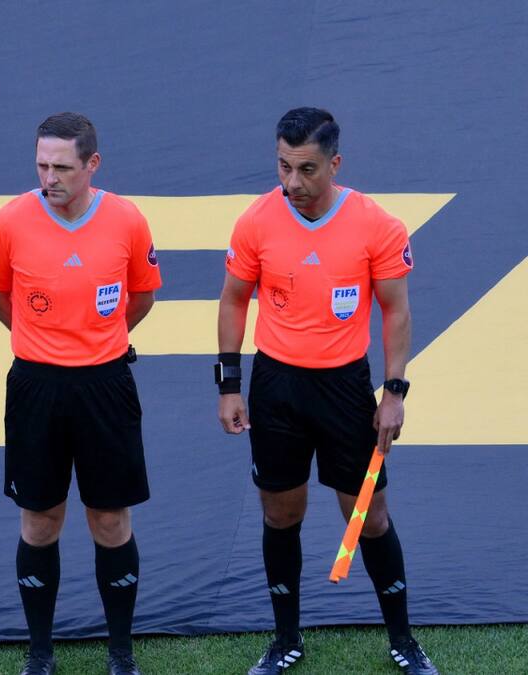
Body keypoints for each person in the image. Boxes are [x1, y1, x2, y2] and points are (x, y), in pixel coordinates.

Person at [215, 107, 436, 675]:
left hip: (343, 388)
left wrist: (395, 391)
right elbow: (235, 299)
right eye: (284, 167)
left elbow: (396, 311)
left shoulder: (377, 224)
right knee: (280, 514)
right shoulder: (257, 220)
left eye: (307, 169)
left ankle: (404, 641)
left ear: (334, 163)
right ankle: (286, 640)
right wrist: (229, 384)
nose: (293, 183)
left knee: (368, 516)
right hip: (277, 386)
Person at [0, 112, 161, 675]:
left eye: (61, 166)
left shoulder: (128, 220)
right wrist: (46, 345)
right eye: (41, 165)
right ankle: (39, 651)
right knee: (40, 522)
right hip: (36, 385)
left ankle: (121, 651)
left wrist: (92, 342)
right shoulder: (9, 221)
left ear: (92, 165)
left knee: (110, 521)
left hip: (105, 384)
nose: (48, 177)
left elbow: (141, 299)